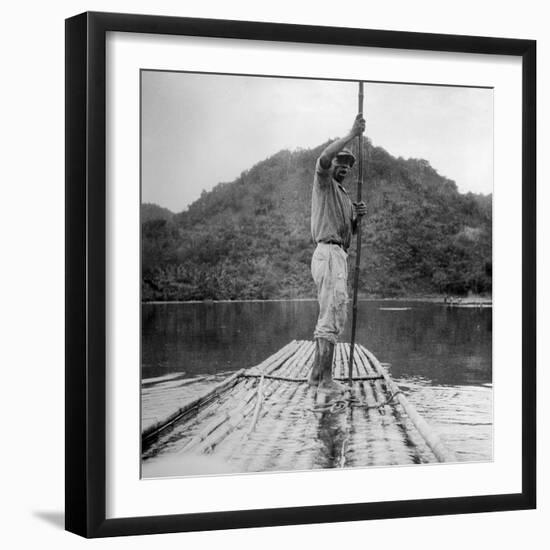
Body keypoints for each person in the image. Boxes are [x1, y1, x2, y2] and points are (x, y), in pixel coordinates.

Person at [308, 114, 367, 395]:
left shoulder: (343, 196)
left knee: (332, 313)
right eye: (339, 161)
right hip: (328, 254)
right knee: (331, 315)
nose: (343, 166)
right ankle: (327, 380)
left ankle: (317, 375)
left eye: (347, 164)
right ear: (331, 164)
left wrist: (356, 220)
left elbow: (347, 238)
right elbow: (323, 157)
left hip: (337, 254)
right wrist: (352, 134)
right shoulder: (323, 181)